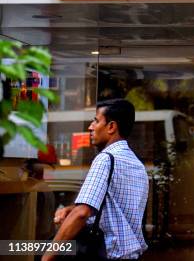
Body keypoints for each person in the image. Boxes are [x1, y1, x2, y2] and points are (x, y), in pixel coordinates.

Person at [42, 99, 148, 261]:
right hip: (129, 255)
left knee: (18, 248)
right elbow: (115, 208)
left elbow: (82, 213)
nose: (90, 127)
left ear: (111, 127)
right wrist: (71, 208)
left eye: (96, 121)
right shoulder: (137, 165)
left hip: (104, 253)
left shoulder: (105, 159)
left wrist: (47, 257)